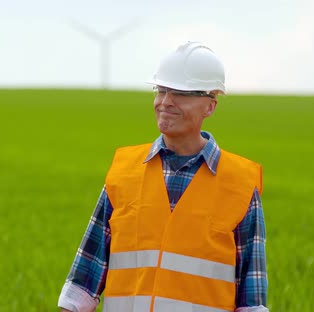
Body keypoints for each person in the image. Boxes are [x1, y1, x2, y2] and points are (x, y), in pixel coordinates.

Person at [57, 41, 268, 312]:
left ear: (210, 106)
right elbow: (83, 283)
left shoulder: (240, 185)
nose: (165, 102)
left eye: (180, 93)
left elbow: (252, 301)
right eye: (162, 90)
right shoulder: (124, 173)